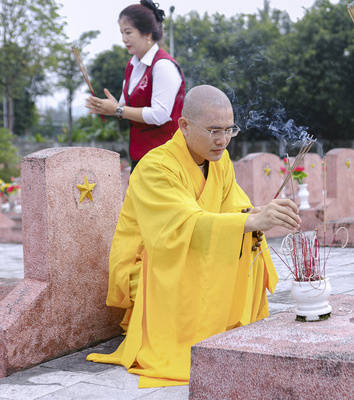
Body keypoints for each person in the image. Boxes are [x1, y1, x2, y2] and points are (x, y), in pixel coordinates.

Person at [87, 85, 302, 388]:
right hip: (151, 264)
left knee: (250, 244)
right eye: (214, 131)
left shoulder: (220, 161)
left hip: (192, 246)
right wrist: (250, 219)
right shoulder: (155, 168)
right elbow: (180, 228)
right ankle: (193, 340)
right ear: (184, 126)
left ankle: (229, 329)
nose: (223, 140)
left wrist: (258, 214)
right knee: (230, 238)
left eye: (229, 130)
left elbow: (234, 210)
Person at [86, 0, 185, 171]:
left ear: (147, 33)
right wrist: (111, 108)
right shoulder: (132, 65)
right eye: (121, 33)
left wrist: (118, 110)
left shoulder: (163, 65)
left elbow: (160, 115)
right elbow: (126, 108)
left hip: (165, 158)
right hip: (141, 156)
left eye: (128, 32)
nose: (124, 39)